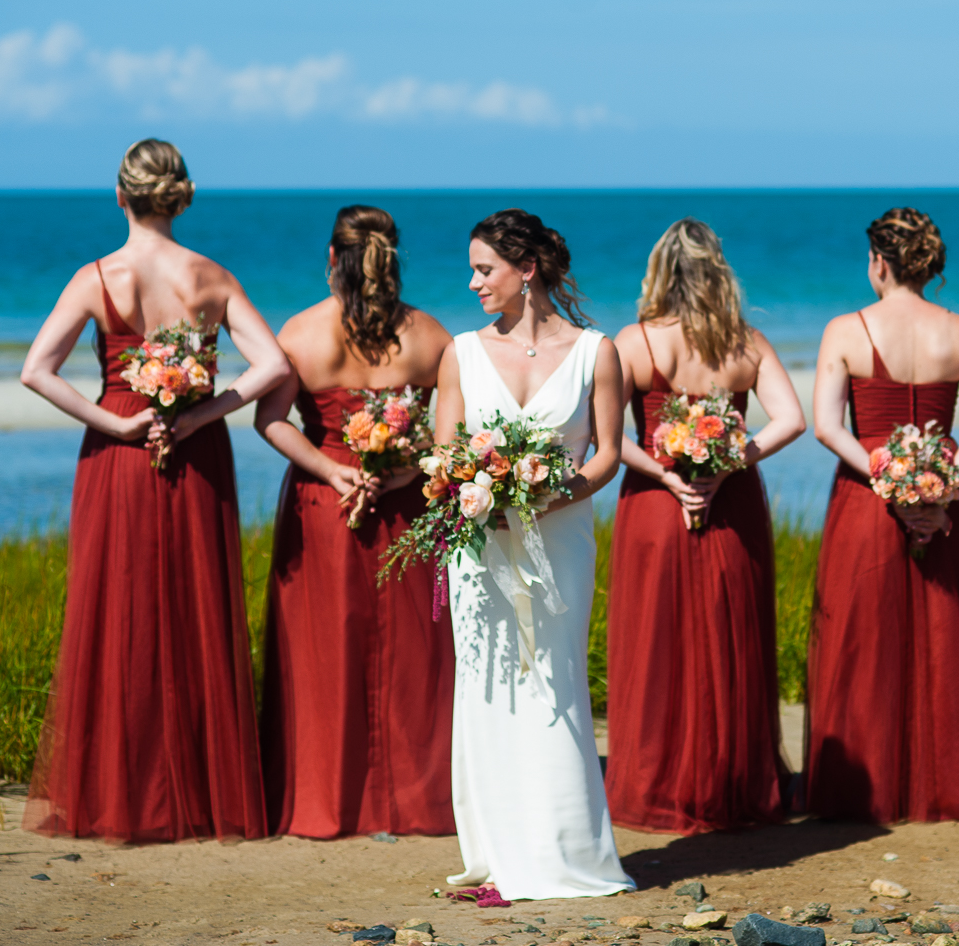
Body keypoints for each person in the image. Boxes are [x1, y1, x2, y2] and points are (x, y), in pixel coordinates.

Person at [19, 139, 288, 842]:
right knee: (196, 607)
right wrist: (197, 415)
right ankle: (198, 795)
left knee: (119, 611)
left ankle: (120, 794)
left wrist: (117, 422)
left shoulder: (96, 278)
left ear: (119, 197)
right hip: (198, 457)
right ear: (182, 198)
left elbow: (37, 371)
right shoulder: (211, 276)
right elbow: (273, 364)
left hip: (118, 457)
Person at [436, 208, 634, 898]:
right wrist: (477, 492)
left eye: (484, 269)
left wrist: (552, 497)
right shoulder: (459, 352)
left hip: (561, 540)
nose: (472, 283)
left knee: (553, 680)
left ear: (527, 271)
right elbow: (444, 453)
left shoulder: (595, 352)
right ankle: (497, 853)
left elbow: (608, 452)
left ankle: (566, 851)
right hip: (480, 546)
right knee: (488, 683)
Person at [254, 205, 456, 839]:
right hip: (408, 504)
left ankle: (322, 799)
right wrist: (405, 470)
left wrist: (333, 469)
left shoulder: (301, 332)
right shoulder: (431, 336)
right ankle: (421, 800)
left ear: (331, 258)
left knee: (321, 650)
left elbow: (270, 421)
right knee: (418, 652)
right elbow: (454, 439)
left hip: (326, 504)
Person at [604, 219, 806, 834]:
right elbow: (790, 420)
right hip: (732, 506)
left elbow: (606, 439)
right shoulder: (746, 344)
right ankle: (730, 784)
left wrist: (668, 476)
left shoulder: (634, 343)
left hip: (653, 510)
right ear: (718, 272)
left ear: (658, 272)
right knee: (727, 639)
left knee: (654, 640)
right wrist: (726, 467)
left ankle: (654, 784)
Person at [804, 207, 959, 823]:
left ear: (879, 262)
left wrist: (886, 476)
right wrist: (940, 485)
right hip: (943, 502)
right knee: (941, 635)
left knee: (861, 639)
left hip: (866, 497)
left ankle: (862, 789)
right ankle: (940, 787)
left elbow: (827, 426)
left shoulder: (845, 329)